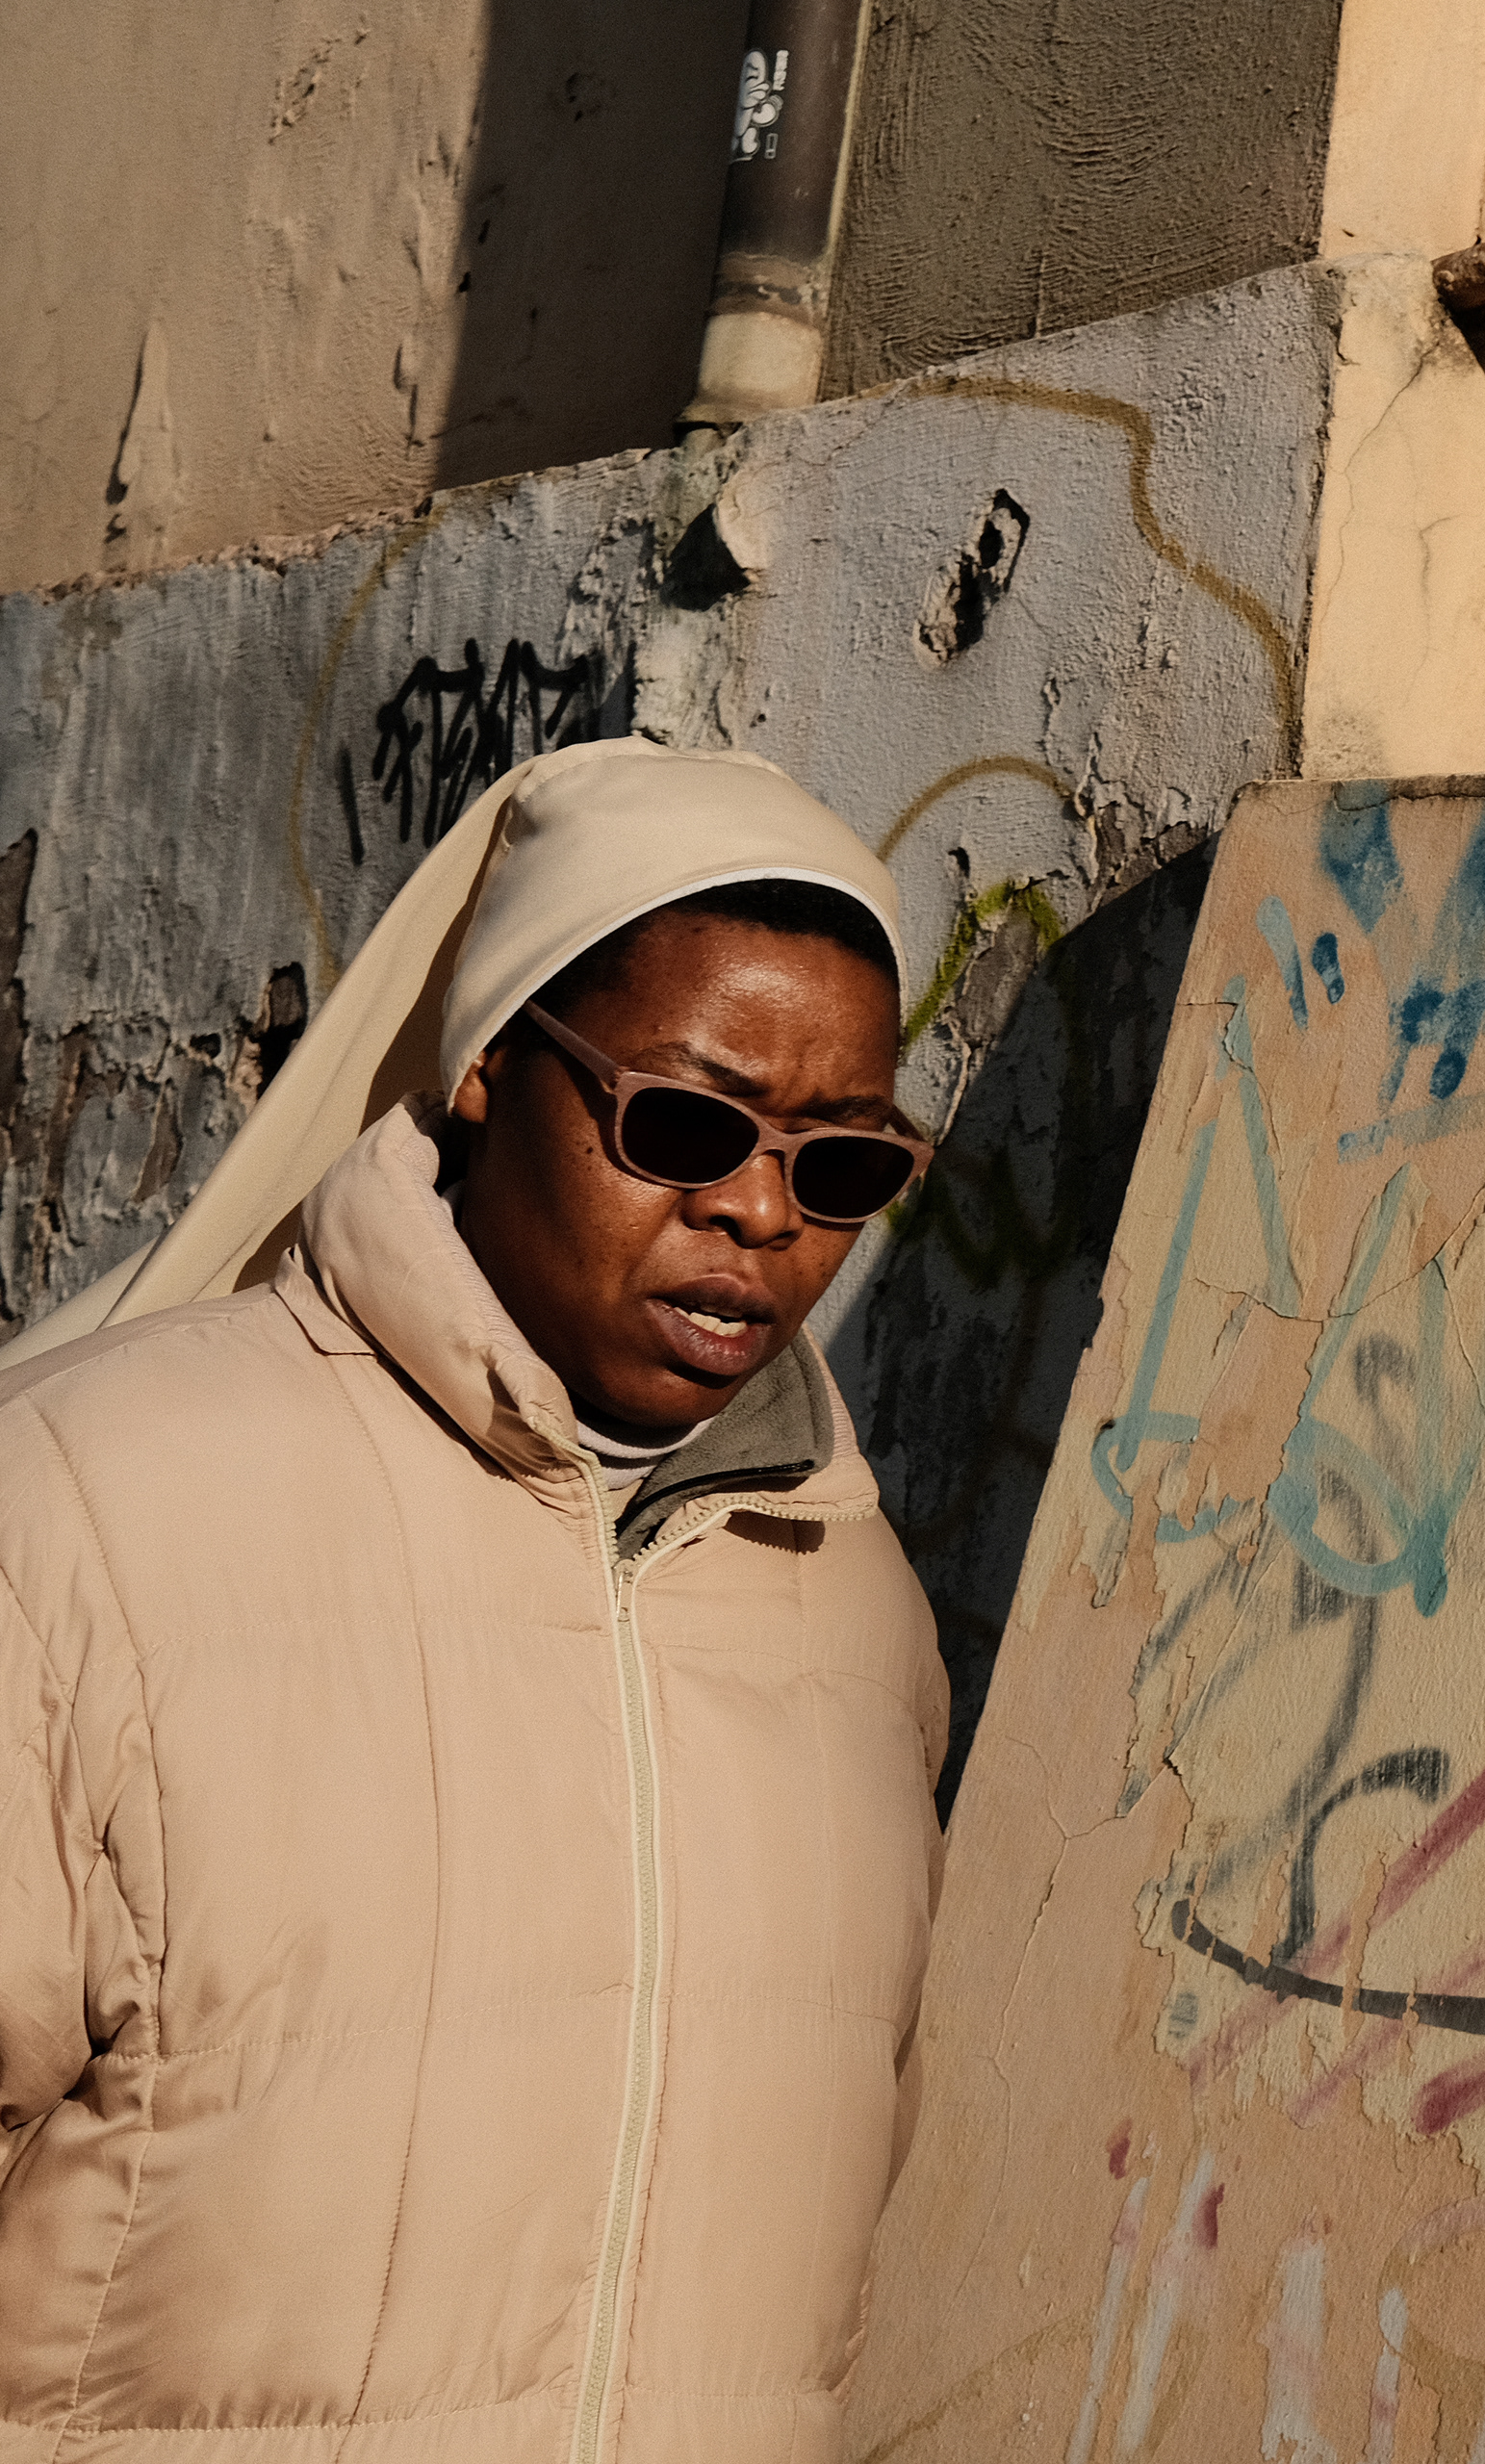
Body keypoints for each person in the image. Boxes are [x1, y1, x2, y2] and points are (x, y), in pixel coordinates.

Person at [0, 738, 947, 2461]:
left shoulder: (859, 1611)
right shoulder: (87, 1508)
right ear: (491, 1071)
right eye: (685, 1123)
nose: (759, 1209)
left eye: (843, 1168)